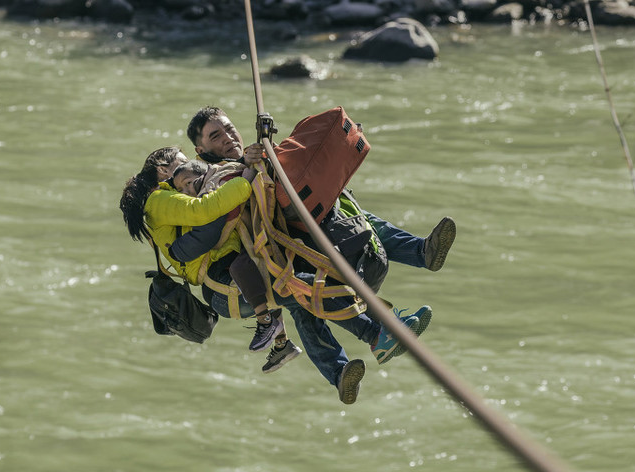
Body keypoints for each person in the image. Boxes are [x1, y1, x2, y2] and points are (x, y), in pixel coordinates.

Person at [121, 146, 431, 403]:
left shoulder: (182, 189)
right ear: (163, 170)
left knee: (300, 300)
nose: (187, 162)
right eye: (178, 160)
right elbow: (206, 211)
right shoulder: (159, 199)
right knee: (300, 286)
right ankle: (379, 333)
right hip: (225, 285)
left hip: (236, 277)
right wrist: (246, 177)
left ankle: (339, 371)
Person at [186, 106, 456, 273]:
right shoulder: (206, 173)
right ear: (201, 150)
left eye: (229, 130)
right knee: (352, 216)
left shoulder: (248, 154)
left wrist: (266, 145)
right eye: (216, 136)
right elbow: (224, 197)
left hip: (297, 214)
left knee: (356, 212)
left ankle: (421, 252)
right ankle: (420, 254)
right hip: (280, 239)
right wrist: (248, 162)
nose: (228, 137)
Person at [168, 159, 285, 352]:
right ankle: (281, 341)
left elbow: (228, 210)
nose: (188, 191)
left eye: (188, 183)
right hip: (252, 236)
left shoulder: (218, 181)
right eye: (182, 189)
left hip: (259, 235)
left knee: (240, 268)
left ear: (203, 172)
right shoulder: (213, 184)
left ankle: (266, 321)